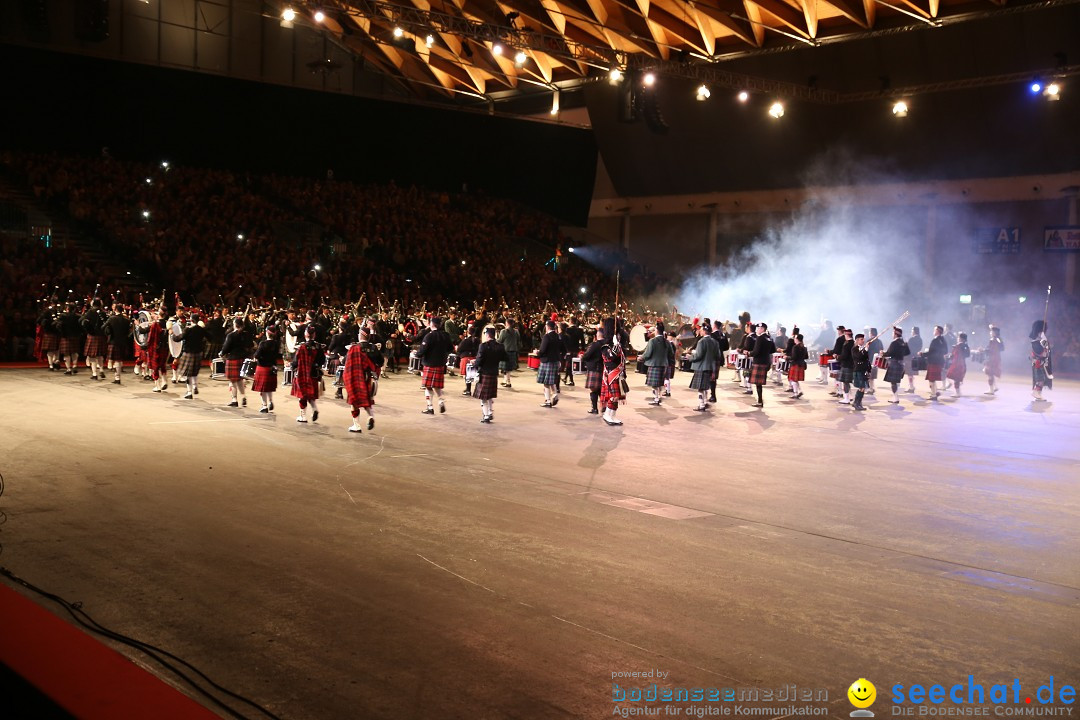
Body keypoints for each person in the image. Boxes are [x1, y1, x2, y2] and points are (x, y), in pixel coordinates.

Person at [343, 328, 380, 433]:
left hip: (356, 378)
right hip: (369, 379)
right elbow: (380, 362)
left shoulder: (354, 348)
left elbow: (346, 362)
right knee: (367, 400)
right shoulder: (374, 348)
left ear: (361, 335)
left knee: (354, 401)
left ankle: (356, 425)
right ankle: (371, 416)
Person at [473, 326, 508, 423]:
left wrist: (474, 364)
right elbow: (505, 358)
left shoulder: (483, 346)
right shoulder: (500, 346)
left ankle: (486, 415)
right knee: (490, 395)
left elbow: (479, 359)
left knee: (483, 396)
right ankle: (490, 412)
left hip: (484, 373)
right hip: (494, 373)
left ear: (487, 335)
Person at [419, 316, 452, 414]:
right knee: (437, 386)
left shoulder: (429, 336)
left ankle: (430, 407)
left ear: (431, 324)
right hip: (441, 364)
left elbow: (422, 351)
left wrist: (417, 353)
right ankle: (441, 400)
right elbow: (450, 348)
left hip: (429, 364)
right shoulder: (445, 335)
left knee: (428, 386)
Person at [291, 326, 325, 422]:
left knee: (302, 395)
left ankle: (303, 416)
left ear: (306, 334)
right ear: (314, 335)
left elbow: (296, 361)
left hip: (302, 373)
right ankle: (314, 409)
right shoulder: (319, 346)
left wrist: (292, 366)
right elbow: (323, 360)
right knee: (310, 395)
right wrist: (317, 365)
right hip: (314, 374)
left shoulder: (302, 347)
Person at [598, 318, 627, 426]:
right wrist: (615, 345)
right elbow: (611, 357)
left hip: (618, 373)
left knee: (617, 396)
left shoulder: (618, 344)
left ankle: (612, 415)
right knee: (613, 396)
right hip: (611, 373)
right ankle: (607, 415)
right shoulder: (605, 346)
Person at [688, 323, 719, 412]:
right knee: (705, 386)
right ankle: (705, 402)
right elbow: (718, 355)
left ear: (705, 331)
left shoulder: (701, 341)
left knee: (700, 388)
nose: (700, 331)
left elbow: (699, 355)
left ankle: (701, 405)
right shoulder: (715, 342)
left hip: (701, 367)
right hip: (710, 367)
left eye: (701, 330)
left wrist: (690, 357)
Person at [176, 313, 208, 400]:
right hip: (199, 352)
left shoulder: (188, 329)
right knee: (195, 371)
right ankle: (195, 386)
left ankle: (189, 392)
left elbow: (179, 338)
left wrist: (172, 334)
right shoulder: (201, 330)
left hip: (189, 352)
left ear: (191, 320)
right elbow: (209, 337)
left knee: (188, 373)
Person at [221, 318, 250, 407]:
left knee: (233, 381)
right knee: (240, 379)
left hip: (232, 358)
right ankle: (244, 396)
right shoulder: (246, 334)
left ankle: (234, 400)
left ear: (235, 324)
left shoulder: (231, 335)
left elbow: (226, 348)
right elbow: (250, 345)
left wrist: (222, 353)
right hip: (242, 358)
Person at [252, 326, 281, 413]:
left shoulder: (263, 344)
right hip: (272, 367)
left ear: (266, 333)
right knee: (269, 388)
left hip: (263, 367)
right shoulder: (276, 344)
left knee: (263, 389)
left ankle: (264, 405)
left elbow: (256, 356)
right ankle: (271, 401)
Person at [748, 323, 776, 408]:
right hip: (766, 361)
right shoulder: (769, 338)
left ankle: (760, 401)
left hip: (759, 362)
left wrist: (749, 353)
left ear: (762, 329)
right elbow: (773, 350)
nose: (757, 330)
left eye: (758, 328)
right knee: (759, 383)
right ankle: (759, 401)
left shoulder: (760, 338)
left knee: (758, 383)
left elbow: (756, 351)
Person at [639, 325, 669, 406]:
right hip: (664, 365)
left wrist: (641, 357)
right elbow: (671, 353)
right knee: (659, 383)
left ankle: (656, 399)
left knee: (654, 384)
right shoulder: (666, 341)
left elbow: (648, 354)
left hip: (654, 365)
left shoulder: (652, 341)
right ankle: (658, 397)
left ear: (656, 330)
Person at [536, 320, 563, 407]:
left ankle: (547, 400)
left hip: (547, 361)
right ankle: (554, 394)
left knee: (546, 382)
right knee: (551, 381)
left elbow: (543, 350)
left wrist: (537, 353)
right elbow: (563, 349)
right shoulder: (558, 336)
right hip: (555, 361)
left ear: (547, 327)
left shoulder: (546, 337)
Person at [103, 304, 131, 384]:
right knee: (119, 360)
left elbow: (103, 327)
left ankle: (117, 378)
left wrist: (108, 332)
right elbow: (128, 332)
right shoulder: (127, 320)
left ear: (115, 310)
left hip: (113, 341)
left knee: (116, 360)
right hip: (123, 342)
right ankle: (117, 377)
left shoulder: (112, 318)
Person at [81, 299, 108, 381]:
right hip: (101, 335)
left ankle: (94, 374)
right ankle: (102, 370)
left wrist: (88, 330)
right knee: (100, 355)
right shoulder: (103, 312)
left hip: (92, 335)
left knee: (92, 356)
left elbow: (83, 322)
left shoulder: (90, 312)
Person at [882, 327, 910, 405]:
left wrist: (883, 354)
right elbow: (907, 352)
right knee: (896, 382)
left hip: (894, 363)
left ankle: (895, 397)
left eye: (893, 332)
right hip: (901, 363)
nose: (892, 334)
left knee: (893, 382)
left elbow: (889, 353)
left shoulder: (894, 343)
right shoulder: (903, 342)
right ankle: (895, 396)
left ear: (895, 334)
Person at [582, 325, 605, 415]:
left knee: (593, 389)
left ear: (597, 335)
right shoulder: (608, 344)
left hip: (594, 368)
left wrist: (582, 357)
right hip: (604, 369)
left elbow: (586, 356)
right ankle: (604, 406)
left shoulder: (595, 344)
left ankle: (595, 408)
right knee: (600, 389)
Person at [147, 307, 169, 393]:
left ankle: (158, 386)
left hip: (155, 348)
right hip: (165, 347)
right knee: (162, 365)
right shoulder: (168, 323)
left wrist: (147, 346)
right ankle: (164, 381)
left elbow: (151, 338)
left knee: (155, 367)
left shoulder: (155, 325)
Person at [1029, 320, 1052, 401]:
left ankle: (1038, 394)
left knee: (1042, 379)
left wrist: (1044, 341)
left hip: (1041, 363)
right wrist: (1044, 341)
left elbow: (1047, 350)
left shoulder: (1039, 342)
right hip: (1038, 363)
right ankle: (1036, 392)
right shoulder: (1036, 343)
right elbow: (1043, 354)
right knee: (1040, 380)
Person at [923, 325, 948, 400]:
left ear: (938, 331)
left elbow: (931, 352)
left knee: (931, 379)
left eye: (934, 330)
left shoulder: (935, 340)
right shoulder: (943, 340)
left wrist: (923, 354)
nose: (933, 331)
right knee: (933, 378)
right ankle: (935, 392)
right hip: (939, 361)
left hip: (933, 361)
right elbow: (946, 351)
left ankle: (933, 395)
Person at [57, 303, 82, 375]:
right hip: (75, 336)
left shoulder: (62, 316)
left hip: (66, 336)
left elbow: (58, 324)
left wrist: (61, 331)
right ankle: (74, 365)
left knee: (66, 353)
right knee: (75, 352)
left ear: (67, 308)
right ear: (74, 309)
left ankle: (68, 369)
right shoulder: (78, 316)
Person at [456, 327, 480, 397]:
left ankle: (468, 390)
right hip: (475, 358)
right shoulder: (477, 340)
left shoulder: (465, 340)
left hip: (466, 358)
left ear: (468, 332)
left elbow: (459, 349)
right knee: (476, 375)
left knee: (468, 376)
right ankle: (477, 390)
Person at [497, 319, 520, 388]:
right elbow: (518, 341)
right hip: (514, 351)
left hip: (505, 351)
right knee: (508, 368)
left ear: (507, 323)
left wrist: (496, 338)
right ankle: (505, 380)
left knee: (506, 368)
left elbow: (499, 341)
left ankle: (508, 382)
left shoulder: (503, 331)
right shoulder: (516, 332)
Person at [946, 332, 970, 396]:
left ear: (961, 339)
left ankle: (958, 393)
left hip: (957, 364)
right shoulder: (965, 346)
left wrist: (949, 357)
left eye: (958, 337)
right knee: (956, 378)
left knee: (953, 376)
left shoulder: (959, 346)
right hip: (962, 364)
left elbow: (954, 355)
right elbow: (967, 355)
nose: (957, 338)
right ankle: (958, 391)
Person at [850, 333, 870, 411]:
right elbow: (859, 357)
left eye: (863, 339)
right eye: (861, 339)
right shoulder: (854, 349)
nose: (863, 341)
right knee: (861, 387)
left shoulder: (862, 348)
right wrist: (865, 350)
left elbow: (865, 358)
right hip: (858, 369)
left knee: (862, 388)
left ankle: (857, 402)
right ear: (857, 340)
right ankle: (857, 403)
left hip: (863, 369)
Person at [786, 333, 808, 399]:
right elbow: (806, 356)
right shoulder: (804, 347)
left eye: (795, 338)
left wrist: (787, 357)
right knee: (795, 380)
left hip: (795, 364)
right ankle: (799, 391)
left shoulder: (795, 347)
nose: (794, 340)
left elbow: (794, 357)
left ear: (797, 339)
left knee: (793, 380)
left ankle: (795, 393)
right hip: (801, 364)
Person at [836, 328, 854, 405]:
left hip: (846, 365)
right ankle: (849, 396)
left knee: (845, 382)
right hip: (851, 365)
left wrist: (837, 357)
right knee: (847, 382)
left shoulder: (846, 344)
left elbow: (844, 356)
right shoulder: (853, 343)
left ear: (847, 335)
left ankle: (846, 398)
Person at [983, 325, 1004, 395]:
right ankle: (994, 387)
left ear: (994, 332)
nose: (990, 333)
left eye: (991, 331)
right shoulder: (998, 339)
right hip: (996, 358)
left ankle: (991, 389)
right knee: (991, 372)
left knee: (989, 373)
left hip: (992, 358)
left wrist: (983, 350)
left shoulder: (993, 340)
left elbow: (990, 350)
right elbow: (1002, 348)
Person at [905, 327, 923, 393]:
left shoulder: (911, 339)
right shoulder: (920, 339)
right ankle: (911, 386)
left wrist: (906, 343)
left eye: (912, 330)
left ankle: (911, 387)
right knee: (911, 373)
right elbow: (920, 348)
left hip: (909, 358)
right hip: (916, 357)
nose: (911, 331)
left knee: (910, 373)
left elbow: (907, 348)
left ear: (914, 331)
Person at [866, 328, 883, 394]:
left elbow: (866, 351)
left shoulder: (869, 341)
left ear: (871, 333)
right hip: (877, 361)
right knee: (872, 376)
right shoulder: (879, 341)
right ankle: (872, 388)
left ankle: (871, 388)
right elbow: (881, 351)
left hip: (869, 359)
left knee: (869, 375)